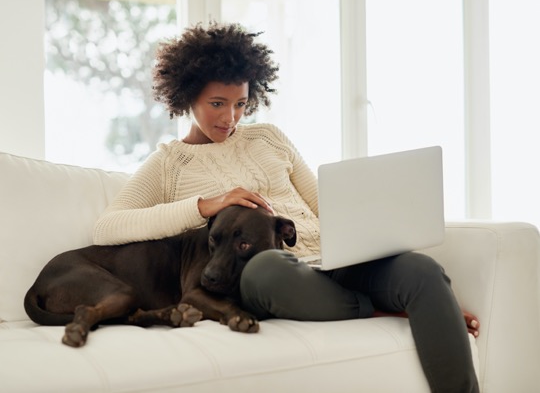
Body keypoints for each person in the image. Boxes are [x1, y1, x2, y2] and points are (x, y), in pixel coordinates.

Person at [93, 21, 480, 393]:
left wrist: (373, 233)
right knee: (267, 268)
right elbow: (107, 228)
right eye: (217, 103)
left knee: (424, 271)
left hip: (336, 262)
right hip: (277, 277)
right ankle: (391, 310)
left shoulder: (271, 139)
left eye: (241, 104)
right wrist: (207, 204)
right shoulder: (168, 164)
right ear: (186, 95)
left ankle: (421, 311)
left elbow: (323, 205)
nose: (230, 118)